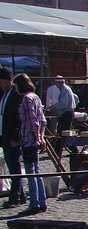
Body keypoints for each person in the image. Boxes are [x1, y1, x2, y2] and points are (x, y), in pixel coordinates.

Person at [14, 74, 47, 214]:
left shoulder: (27, 98)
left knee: (30, 172)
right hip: (35, 139)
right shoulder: (36, 97)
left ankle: (34, 203)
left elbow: (33, 121)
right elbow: (42, 120)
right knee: (37, 171)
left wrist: (38, 138)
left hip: (29, 139)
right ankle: (42, 201)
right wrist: (42, 137)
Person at [0, 67, 24, 208]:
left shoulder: (15, 94)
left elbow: (18, 118)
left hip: (12, 136)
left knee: (14, 168)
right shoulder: (5, 94)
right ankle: (20, 195)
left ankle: (15, 197)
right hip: (5, 135)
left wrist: (16, 136)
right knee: (12, 166)